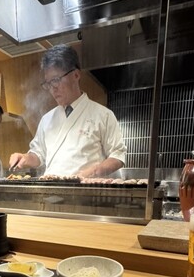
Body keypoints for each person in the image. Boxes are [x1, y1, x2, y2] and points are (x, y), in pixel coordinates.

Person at [9, 45, 126, 178]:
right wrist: (25, 158)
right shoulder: (47, 119)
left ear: (76, 75)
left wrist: (94, 172)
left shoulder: (103, 115)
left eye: (56, 80)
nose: (52, 88)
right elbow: (38, 154)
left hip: (86, 189)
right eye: (48, 83)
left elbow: (118, 155)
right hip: (50, 188)